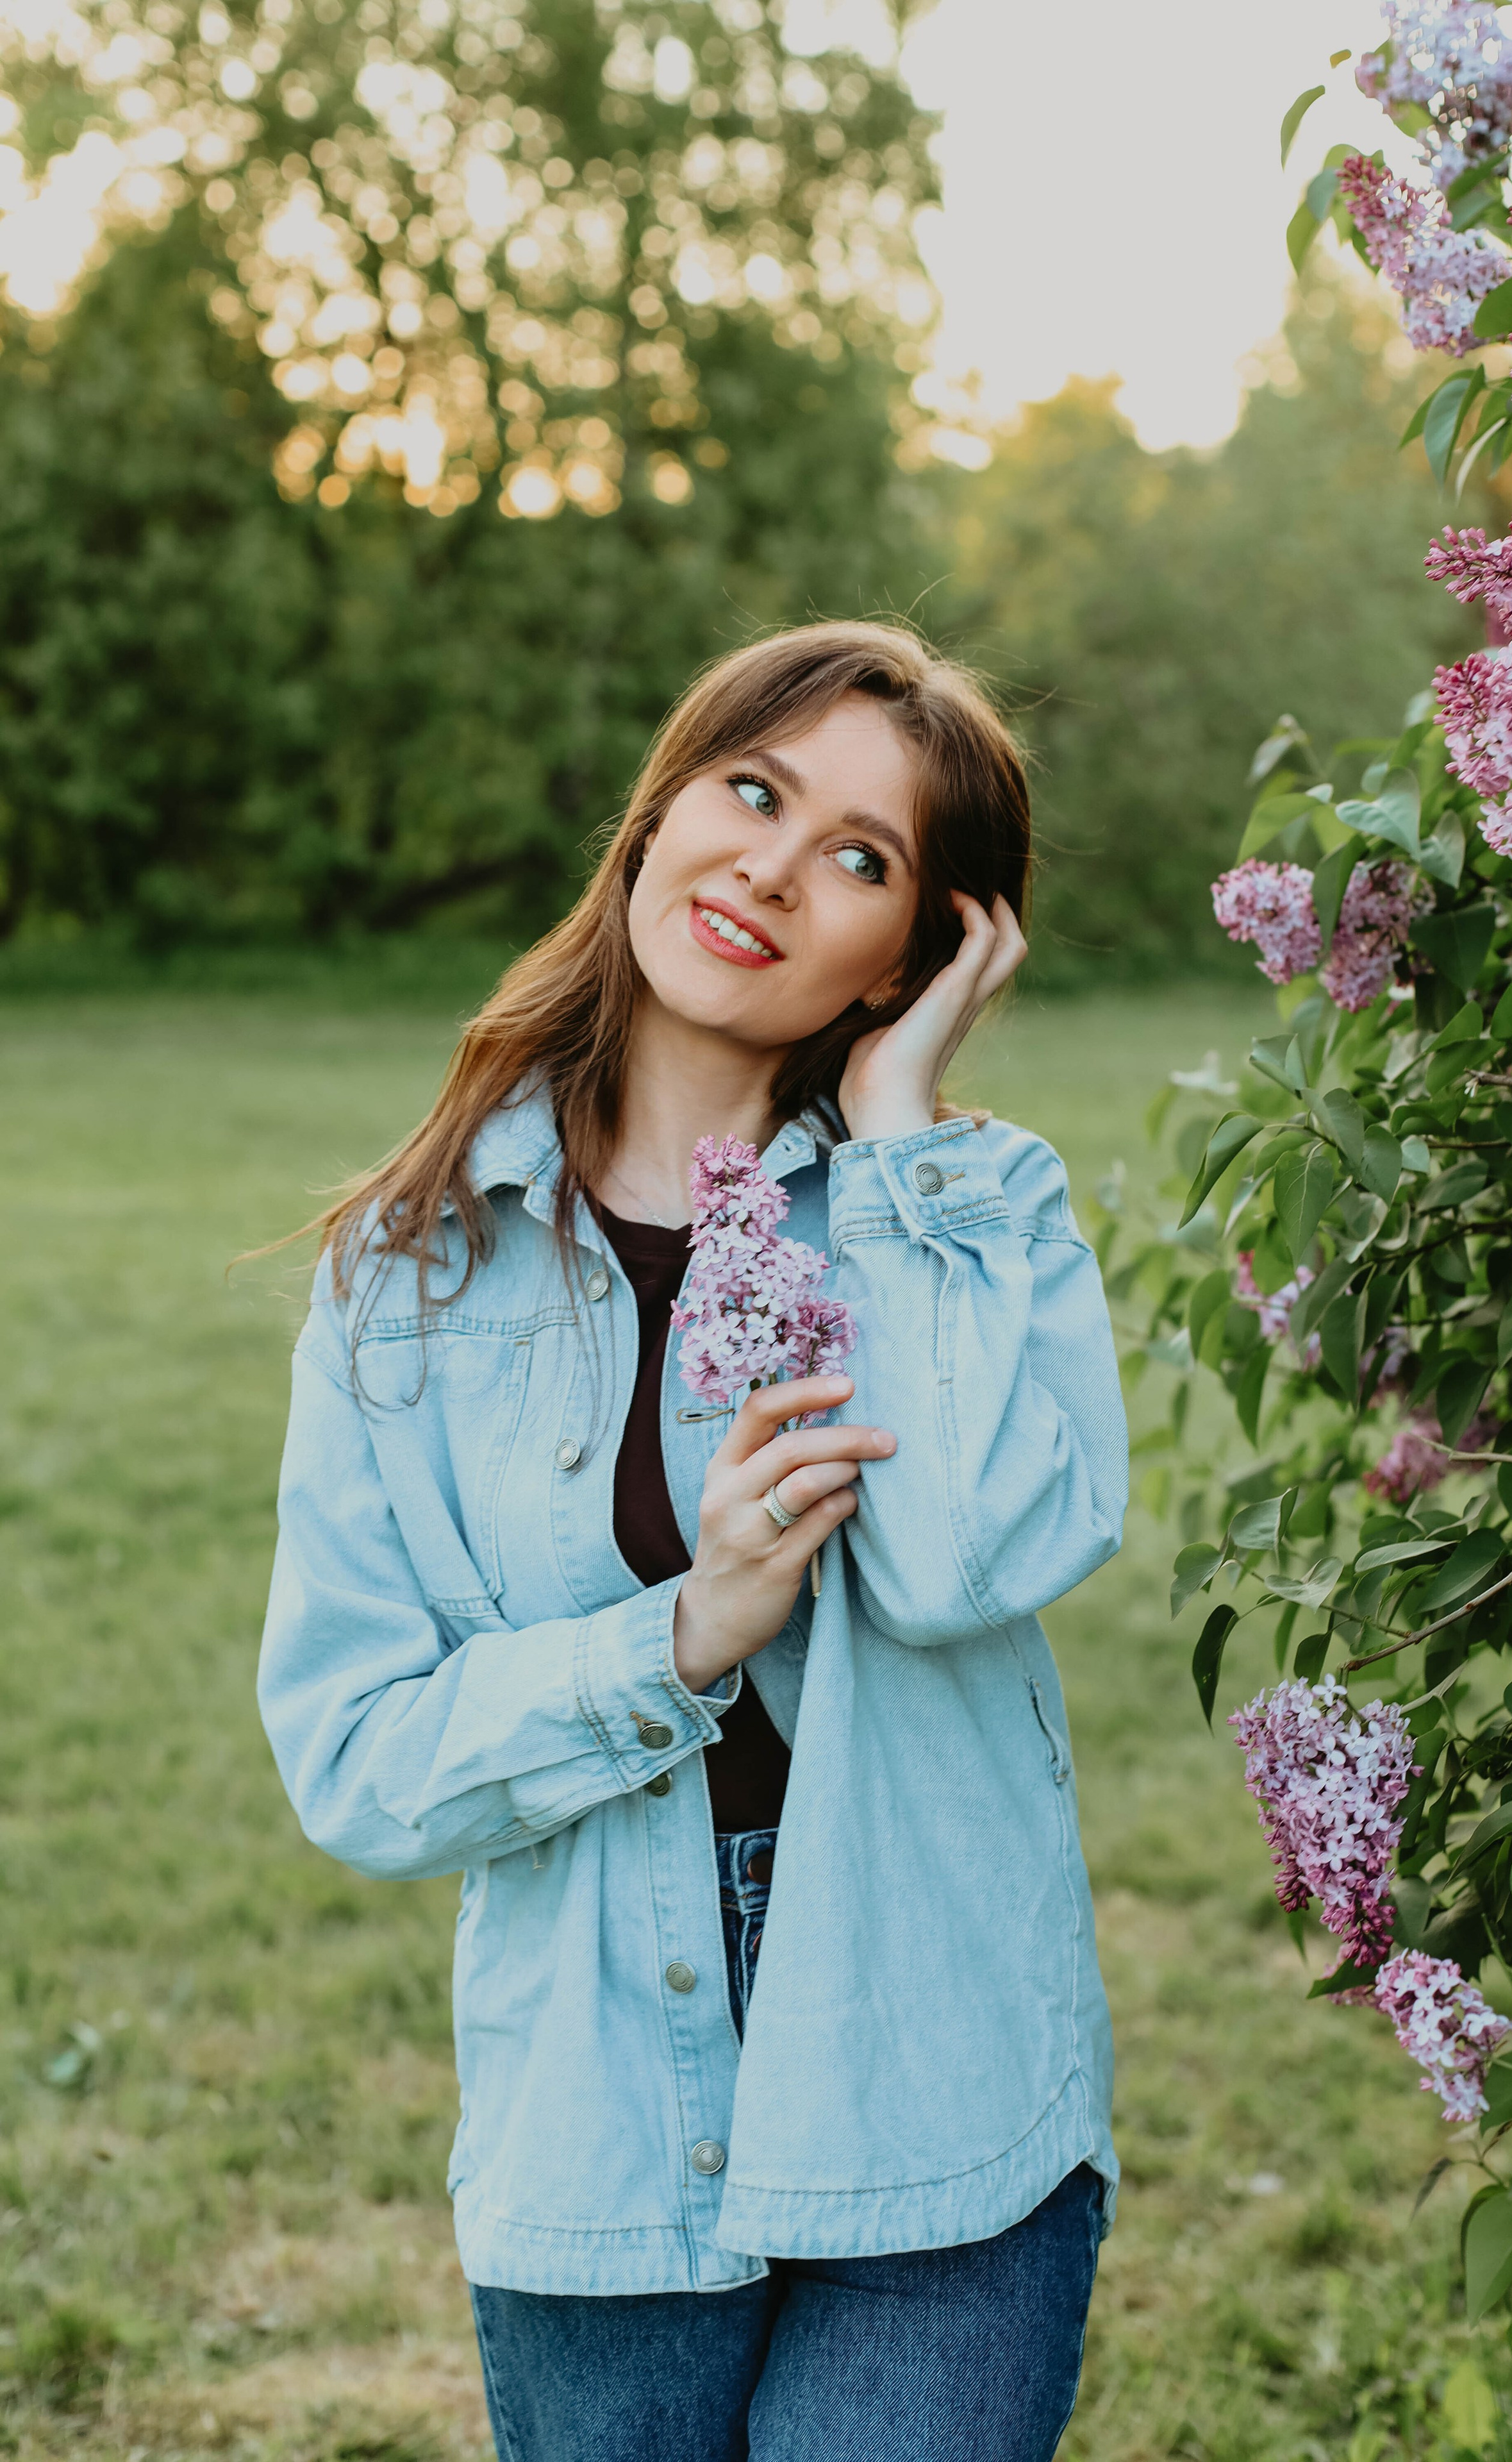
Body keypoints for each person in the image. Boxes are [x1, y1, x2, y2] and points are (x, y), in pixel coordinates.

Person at [258, 621, 1128, 2462]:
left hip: (931, 2056)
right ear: (657, 813)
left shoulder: (980, 1210)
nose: (774, 870)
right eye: (754, 791)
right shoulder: (407, 1273)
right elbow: (353, 1759)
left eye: (862, 858)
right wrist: (683, 1634)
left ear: (918, 949)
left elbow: (966, 1558)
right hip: (596, 2114)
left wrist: (887, 1144)